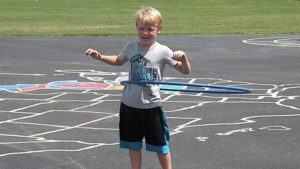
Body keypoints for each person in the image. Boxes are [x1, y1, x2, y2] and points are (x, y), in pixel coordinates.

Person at [85, 6, 191, 169]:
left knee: (161, 145)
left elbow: (185, 71)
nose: (145, 32)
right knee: (132, 144)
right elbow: (118, 60)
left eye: (150, 29)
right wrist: (100, 57)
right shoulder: (131, 47)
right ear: (136, 28)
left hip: (151, 106)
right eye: (141, 28)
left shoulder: (163, 51)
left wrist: (183, 59)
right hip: (129, 105)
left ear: (159, 30)